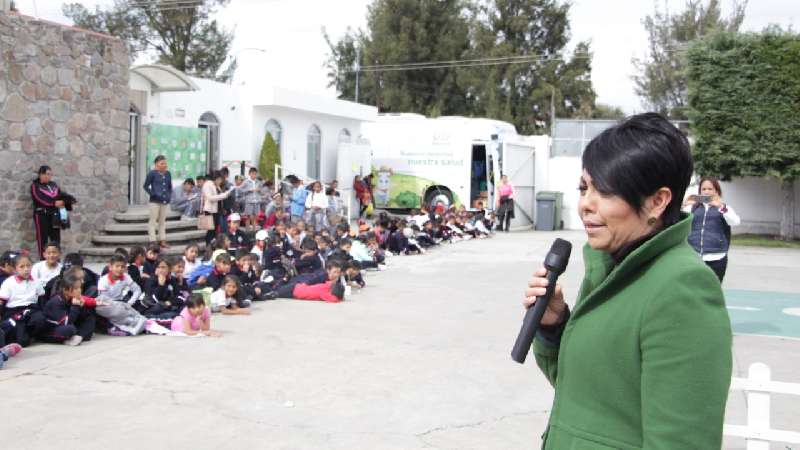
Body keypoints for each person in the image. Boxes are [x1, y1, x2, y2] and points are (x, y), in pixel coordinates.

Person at [524, 113, 731, 449]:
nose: (585, 205)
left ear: (657, 201)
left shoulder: (682, 288)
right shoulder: (610, 269)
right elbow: (592, 394)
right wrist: (553, 325)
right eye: (584, 188)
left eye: (604, 191)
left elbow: (681, 442)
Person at [684, 176, 740, 282]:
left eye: (710, 189)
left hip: (717, 257)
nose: (706, 192)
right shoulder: (692, 207)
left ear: (716, 191)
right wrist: (684, 205)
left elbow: (735, 221)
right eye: (703, 189)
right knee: (693, 289)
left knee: (713, 291)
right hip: (694, 256)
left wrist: (720, 207)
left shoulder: (723, 208)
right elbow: (677, 221)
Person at [39, 269, 99, 346]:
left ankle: (79, 336)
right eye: (76, 288)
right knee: (70, 329)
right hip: (52, 329)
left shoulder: (72, 298)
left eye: (80, 288)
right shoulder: (56, 301)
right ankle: (72, 337)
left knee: (90, 315)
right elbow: (67, 322)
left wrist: (82, 307)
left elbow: (80, 316)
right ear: (66, 290)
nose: (80, 291)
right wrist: (75, 306)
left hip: (67, 323)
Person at [0, 254, 45, 347]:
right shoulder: (8, 283)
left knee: (40, 319)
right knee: (22, 342)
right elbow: (2, 301)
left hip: (31, 309)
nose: (26, 269)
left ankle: (31, 334)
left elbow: (41, 297)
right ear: (15, 269)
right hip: (15, 312)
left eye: (28, 266)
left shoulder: (35, 280)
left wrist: (42, 311)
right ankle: (23, 334)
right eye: (22, 266)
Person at [31, 165, 76, 258]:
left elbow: (60, 195)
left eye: (49, 174)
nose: (47, 176)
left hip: (54, 216)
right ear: (40, 174)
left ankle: (56, 258)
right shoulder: (35, 186)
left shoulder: (54, 185)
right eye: (45, 174)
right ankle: (43, 260)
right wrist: (53, 204)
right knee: (42, 238)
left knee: (55, 238)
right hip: (41, 215)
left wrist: (66, 201)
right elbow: (39, 199)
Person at [143, 155, 173, 248]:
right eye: (162, 163)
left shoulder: (168, 173)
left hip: (164, 201)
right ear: (156, 165)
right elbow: (145, 186)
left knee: (162, 222)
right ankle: (153, 241)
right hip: (154, 202)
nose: (164, 165)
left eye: (165, 163)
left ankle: (162, 240)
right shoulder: (152, 174)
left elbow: (169, 186)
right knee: (152, 221)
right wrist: (153, 194)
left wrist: (168, 195)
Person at [201, 171, 234, 245]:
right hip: (210, 211)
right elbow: (210, 198)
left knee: (215, 229)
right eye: (220, 179)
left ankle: (212, 244)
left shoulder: (216, 185)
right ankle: (208, 245)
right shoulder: (208, 185)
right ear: (216, 178)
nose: (221, 181)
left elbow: (219, 195)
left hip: (217, 210)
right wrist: (224, 195)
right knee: (211, 230)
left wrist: (226, 193)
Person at [242, 168, 263, 232]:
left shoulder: (258, 182)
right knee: (248, 217)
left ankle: (254, 231)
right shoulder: (246, 182)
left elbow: (262, 190)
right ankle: (247, 231)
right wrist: (249, 190)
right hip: (249, 201)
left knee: (255, 217)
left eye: (255, 174)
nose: (254, 175)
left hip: (256, 201)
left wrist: (259, 190)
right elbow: (241, 190)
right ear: (249, 174)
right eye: (253, 174)